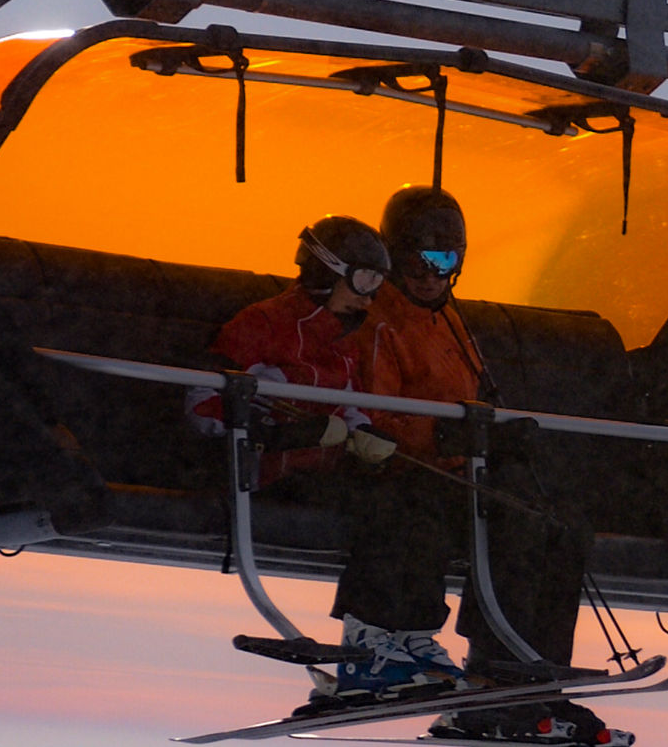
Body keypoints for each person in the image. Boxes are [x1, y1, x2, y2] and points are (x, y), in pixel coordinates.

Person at [365, 185, 620, 746]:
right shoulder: (379, 321)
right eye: (416, 261)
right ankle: (493, 666)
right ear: (392, 258)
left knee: (563, 525)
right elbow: (375, 415)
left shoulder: (450, 323)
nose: (430, 275)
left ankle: (540, 675)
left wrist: (498, 436)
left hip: (457, 466)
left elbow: (474, 398)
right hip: (404, 472)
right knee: (515, 520)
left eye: (444, 261)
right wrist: (447, 435)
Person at [185, 216, 462, 712]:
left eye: (378, 284)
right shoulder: (262, 325)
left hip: (325, 468)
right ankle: (366, 644)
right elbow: (203, 407)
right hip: (273, 471)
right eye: (363, 281)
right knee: (385, 506)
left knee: (423, 496)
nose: (369, 298)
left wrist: (365, 434)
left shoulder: (343, 339)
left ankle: (412, 635)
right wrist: (293, 432)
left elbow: (349, 402)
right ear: (324, 273)